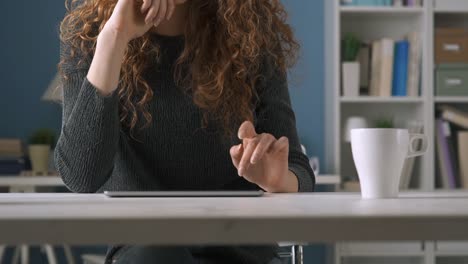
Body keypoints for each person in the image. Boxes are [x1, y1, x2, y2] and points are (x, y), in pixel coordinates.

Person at [55, 0, 315, 263]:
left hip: (241, 249)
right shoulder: (89, 31)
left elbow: (297, 168)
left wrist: (277, 180)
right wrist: (115, 36)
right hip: (145, 251)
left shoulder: (252, 27)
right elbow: (81, 177)